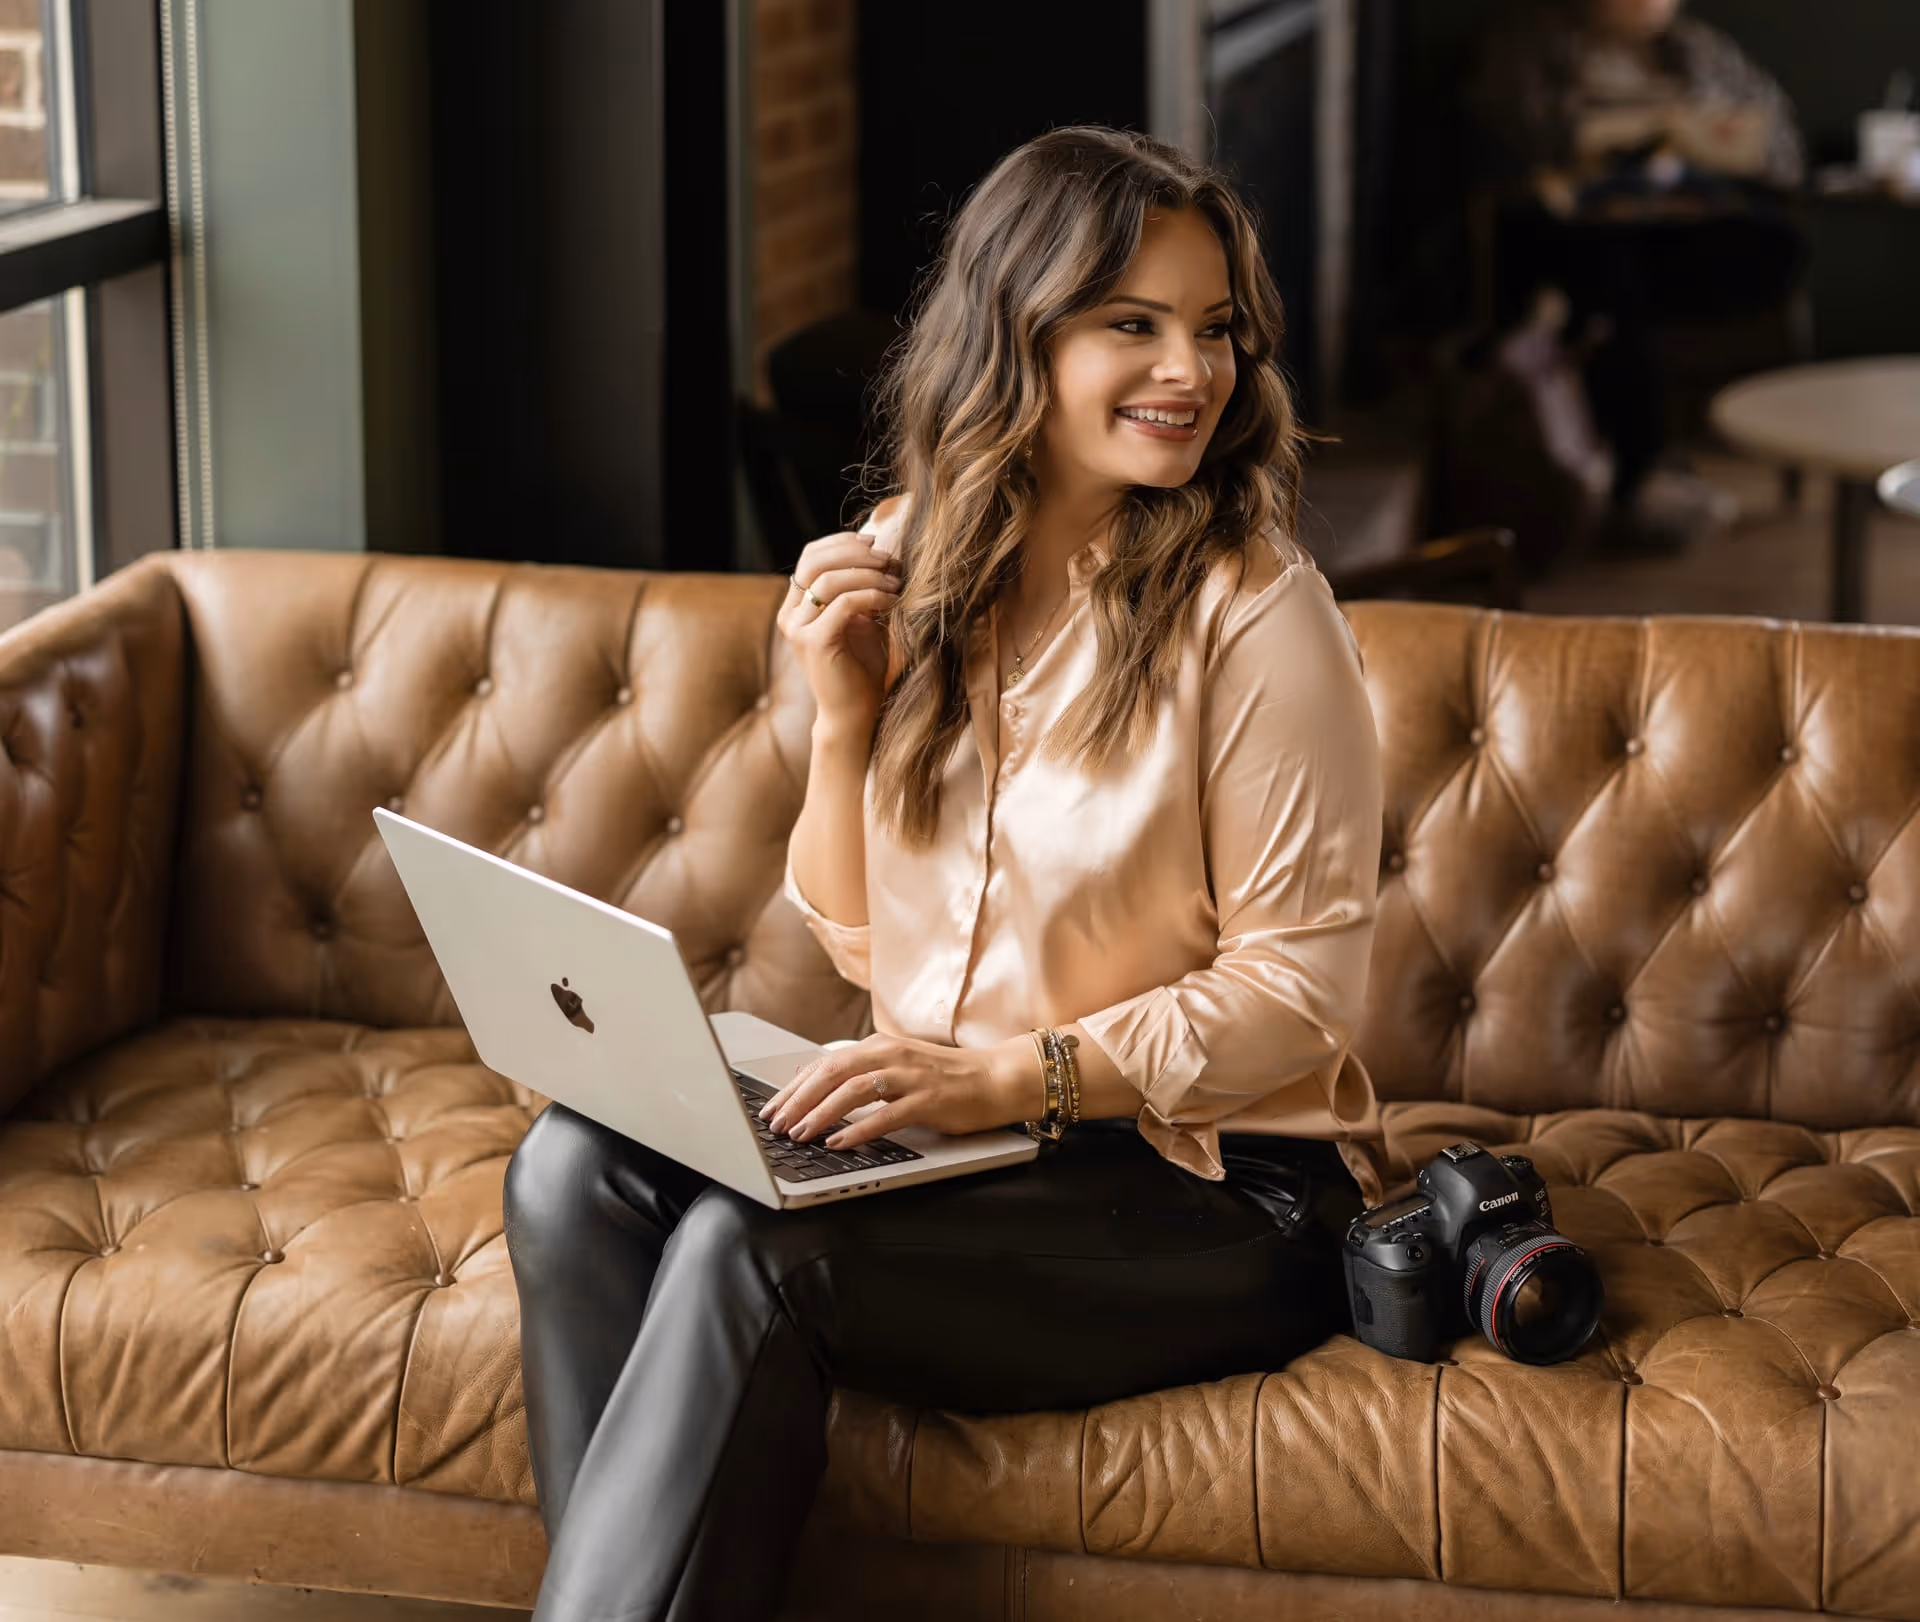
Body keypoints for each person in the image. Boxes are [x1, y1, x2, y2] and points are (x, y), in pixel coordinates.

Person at [502, 124, 1388, 1622]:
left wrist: (1004, 1081)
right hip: (964, 1143)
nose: (1192, 370)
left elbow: (1301, 998)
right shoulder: (910, 555)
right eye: (1133, 324)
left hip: (1213, 1188)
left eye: (1216, 327)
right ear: (1015, 334)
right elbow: (866, 946)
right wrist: (844, 722)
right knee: (571, 1164)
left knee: (751, 1250)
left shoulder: (1257, 609)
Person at [1464, 0, 1809, 553]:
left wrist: (1713, 144)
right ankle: (1642, 471)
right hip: (1579, 229)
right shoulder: (1529, 41)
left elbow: (1779, 143)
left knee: (1776, 241)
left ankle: (1606, 351)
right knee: (1606, 274)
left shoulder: (1698, 47)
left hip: (1678, 225)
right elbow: (1511, 135)